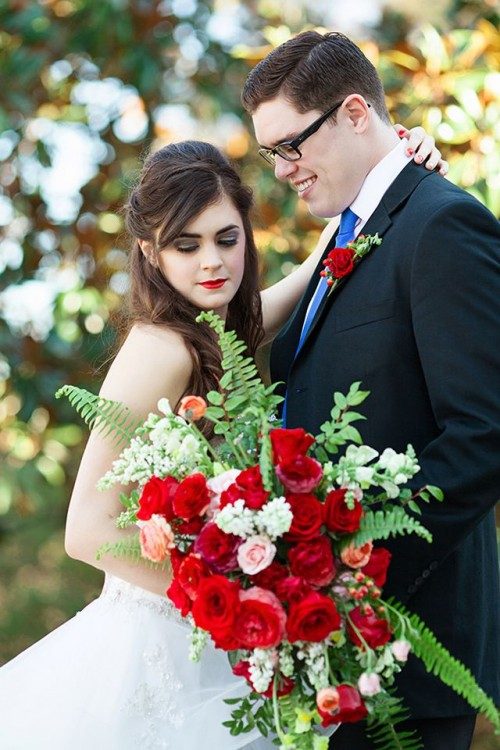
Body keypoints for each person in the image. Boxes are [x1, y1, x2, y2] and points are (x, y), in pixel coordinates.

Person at [0, 134, 444, 749]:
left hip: (205, 639)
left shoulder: (207, 332)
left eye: (226, 239)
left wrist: (383, 175)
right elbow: (86, 531)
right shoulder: (160, 347)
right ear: (151, 254)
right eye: (187, 246)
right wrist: (244, 599)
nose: (212, 262)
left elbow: (283, 300)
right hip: (155, 644)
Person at [243, 30, 500, 750]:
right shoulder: (351, 233)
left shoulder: (443, 223)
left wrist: (358, 575)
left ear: (356, 112)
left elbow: (483, 434)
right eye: (272, 154)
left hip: (406, 643)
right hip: (329, 653)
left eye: (291, 145)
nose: (284, 170)